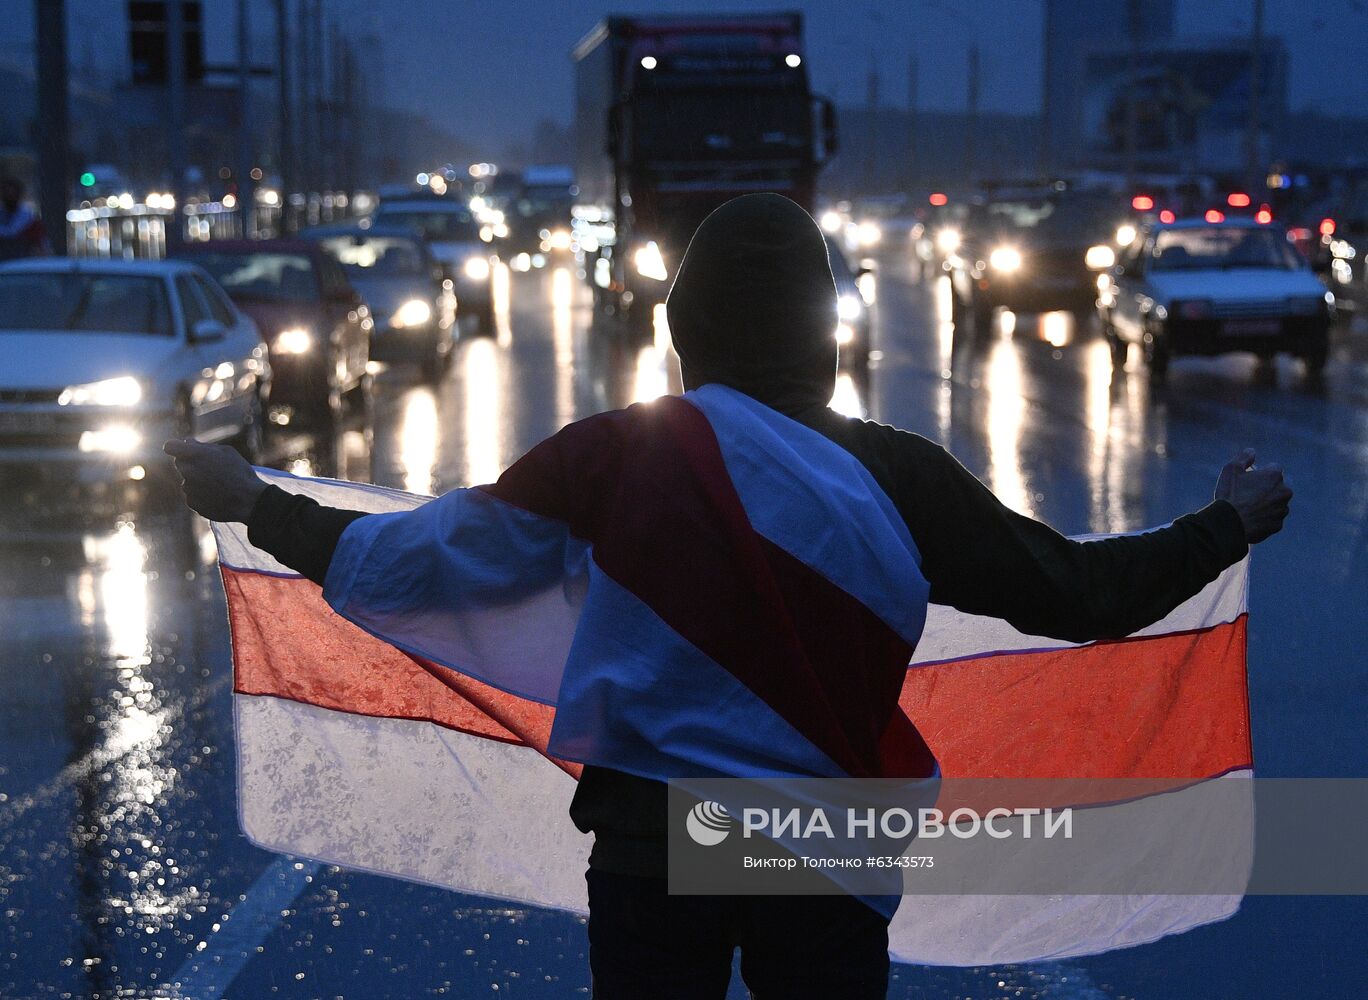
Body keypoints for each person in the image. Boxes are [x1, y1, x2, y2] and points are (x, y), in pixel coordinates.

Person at [166, 194, 1292, 999]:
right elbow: (1082, 593)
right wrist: (1225, 521)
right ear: (826, 336)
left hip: (660, 849)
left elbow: (422, 560)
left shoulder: (615, 456)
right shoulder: (898, 476)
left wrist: (255, 501)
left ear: (683, 330)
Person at [0, 176, 48, 260]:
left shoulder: (31, 221)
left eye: (12, 193)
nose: (9, 196)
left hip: (24, 265)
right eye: (6, 193)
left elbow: (41, 247)